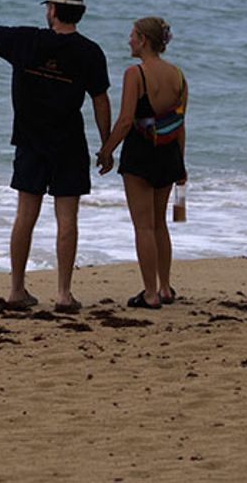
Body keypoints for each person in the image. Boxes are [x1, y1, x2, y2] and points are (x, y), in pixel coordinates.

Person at [0, 0, 112, 312]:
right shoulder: (90, 52)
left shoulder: (26, 40)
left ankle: (17, 289)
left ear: (53, 11)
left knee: (26, 215)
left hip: (31, 141)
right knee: (68, 219)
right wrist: (107, 145)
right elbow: (100, 101)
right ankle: (63, 294)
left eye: (48, 7)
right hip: (69, 143)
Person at [97, 17, 187, 309]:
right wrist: (181, 165)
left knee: (144, 227)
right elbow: (180, 123)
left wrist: (106, 151)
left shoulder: (135, 74)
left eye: (132, 35)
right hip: (169, 152)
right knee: (160, 224)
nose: (129, 40)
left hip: (140, 154)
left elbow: (125, 121)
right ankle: (165, 288)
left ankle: (149, 293)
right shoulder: (178, 75)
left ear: (144, 40)